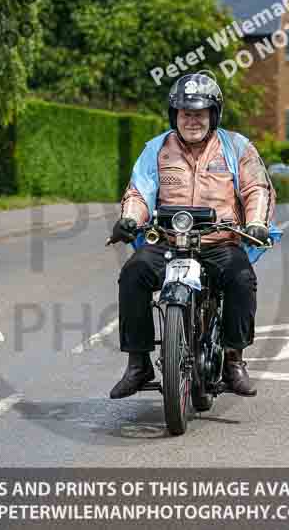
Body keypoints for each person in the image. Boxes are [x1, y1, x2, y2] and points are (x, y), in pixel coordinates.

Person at [108, 73, 276, 399]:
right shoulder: (156, 149)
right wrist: (129, 219)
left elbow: (257, 188)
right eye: (186, 114)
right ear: (175, 115)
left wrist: (256, 223)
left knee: (242, 278)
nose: (193, 121)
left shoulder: (237, 147)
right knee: (133, 273)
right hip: (169, 242)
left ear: (214, 115)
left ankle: (233, 359)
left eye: (200, 114)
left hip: (219, 242)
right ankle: (138, 363)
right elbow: (139, 193)